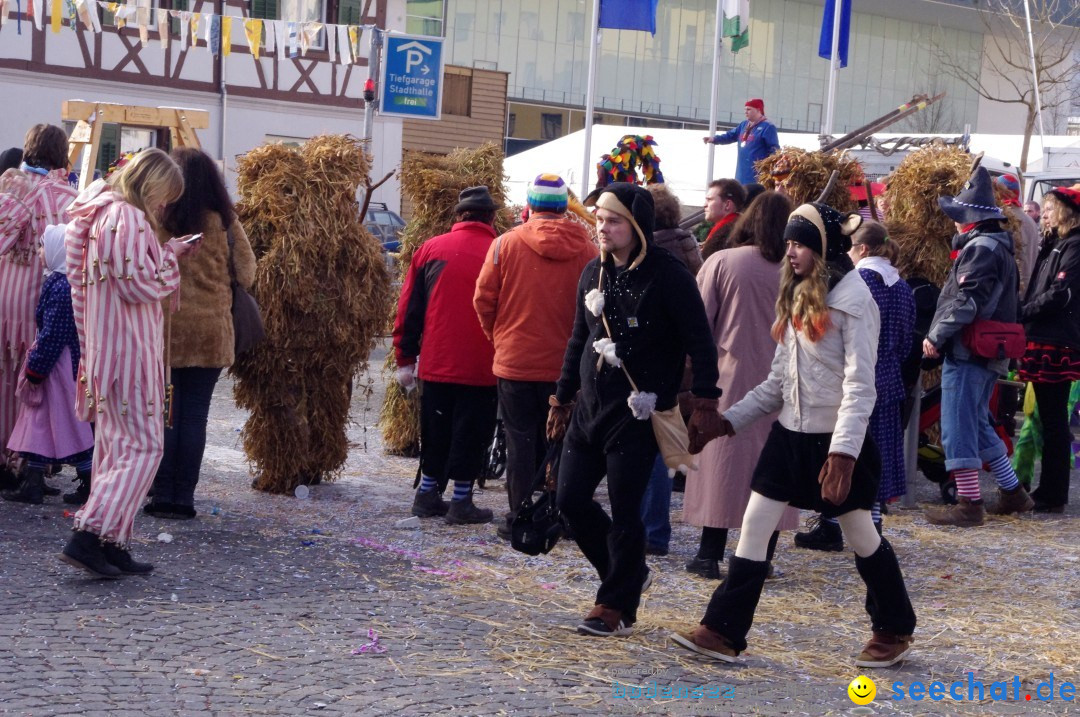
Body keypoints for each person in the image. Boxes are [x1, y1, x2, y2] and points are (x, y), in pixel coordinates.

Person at [672, 202, 917, 669]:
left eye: (800, 242)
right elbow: (778, 381)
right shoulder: (799, 293)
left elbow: (860, 385)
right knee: (755, 525)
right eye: (788, 242)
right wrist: (728, 421)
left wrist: (843, 455)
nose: (790, 251)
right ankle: (722, 630)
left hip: (836, 442)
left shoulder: (854, 300)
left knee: (861, 534)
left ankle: (893, 627)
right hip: (789, 438)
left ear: (823, 248)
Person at [547, 183, 722, 637]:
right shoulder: (593, 272)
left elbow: (700, 342)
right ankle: (626, 576)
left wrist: (705, 401)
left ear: (636, 226)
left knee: (627, 513)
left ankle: (614, 605)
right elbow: (577, 340)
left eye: (613, 220)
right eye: (600, 220)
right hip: (590, 410)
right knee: (569, 500)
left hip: (638, 413)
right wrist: (562, 398)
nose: (603, 228)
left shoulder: (669, 274)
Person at [59, 148, 198, 578]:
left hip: (109, 349)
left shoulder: (103, 215)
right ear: (150, 184)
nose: (165, 205)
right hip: (128, 352)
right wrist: (171, 257)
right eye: (165, 195)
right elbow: (141, 285)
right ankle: (90, 533)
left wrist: (165, 249)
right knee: (144, 447)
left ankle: (112, 541)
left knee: (117, 448)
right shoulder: (127, 219)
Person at [473, 174, 596, 540]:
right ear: (563, 206)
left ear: (529, 205)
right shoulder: (588, 249)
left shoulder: (504, 245)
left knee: (520, 440)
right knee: (564, 441)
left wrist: (498, 337)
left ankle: (519, 515)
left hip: (516, 362)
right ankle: (560, 514)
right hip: (567, 367)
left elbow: (483, 300)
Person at [684, 191, 799, 580]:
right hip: (784, 382)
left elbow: (698, 325)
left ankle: (708, 553)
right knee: (773, 466)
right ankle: (759, 557)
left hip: (728, 376)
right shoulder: (797, 270)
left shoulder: (721, 262)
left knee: (722, 464)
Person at [144, 148, 256, 520]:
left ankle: (160, 495)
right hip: (211, 333)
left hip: (165, 330)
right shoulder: (224, 221)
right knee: (194, 416)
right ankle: (183, 498)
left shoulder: (157, 217)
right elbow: (248, 273)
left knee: (165, 415)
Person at [923, 167, 1033, 527]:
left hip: (969, 351)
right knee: (979, 422)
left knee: (957, 425)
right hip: (986, 351)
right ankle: (1013, 492)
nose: (954, 223)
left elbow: (967, 302)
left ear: (969, 219)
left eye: (958, 216)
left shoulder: (981, 249)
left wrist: (936, 336)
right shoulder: (994, 245)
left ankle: (969, 504)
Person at [795, 221, 915, 550]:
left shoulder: (857, 282)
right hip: (888, 381)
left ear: (861, 249)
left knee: (842, 453)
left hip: (854, 378)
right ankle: (873, 527)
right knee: (876, 456)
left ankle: (831, 527)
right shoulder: (901, 286)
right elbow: (907, 342)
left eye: (850, 247)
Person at [395, 186, 501, 526]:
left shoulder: (430, 249)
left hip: (438, 361)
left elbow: (409, 308)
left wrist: (405, 357)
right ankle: (461, 500)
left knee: (436, 429)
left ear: (459, 216)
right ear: (491, 217)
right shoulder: (501, 250)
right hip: (484, 363)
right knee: (472, 432)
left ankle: (427, 495)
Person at [0, 125, 77, 491]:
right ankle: (27, 464)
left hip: (8, 295)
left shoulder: (18, 189)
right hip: (47, 299)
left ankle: (7, 460)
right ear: (63, 154)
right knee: (35, 382)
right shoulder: (72, 197)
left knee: (5, 380)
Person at [1, 225, 94, 505]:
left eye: (42, 247)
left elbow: (54, 333)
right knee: (40, 421)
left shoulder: (61, 287)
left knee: (67, 424)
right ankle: (34, 480)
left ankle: (88, 481)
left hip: (57, 368)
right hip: (61, 364)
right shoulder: (67, 281)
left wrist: (36, 369)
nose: (39, 253)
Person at [638, 183, 704, 556]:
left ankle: (651, 531)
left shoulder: (653, 253)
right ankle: (656, 529)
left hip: (657, 359)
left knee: (649, 448)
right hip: (683, 360)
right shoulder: (690, 247)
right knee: (664, 446)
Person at [1015, 187, 1080, 513]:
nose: (1047, 214)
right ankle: (1048, 490)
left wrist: (1022, 312)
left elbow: (1060, 293)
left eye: (1052, 209)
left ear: (1066, 213)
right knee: (1045, 418)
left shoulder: (1075, 245)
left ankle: (1053, 494)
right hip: (1043, 335)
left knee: (1053, 421)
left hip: (1056, 340)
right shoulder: (1055, 244)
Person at [703, 99, 781, 185]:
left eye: (749, 109)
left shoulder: (768, 127)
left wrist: (772, 169)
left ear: (758, 110)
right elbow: (730, 136)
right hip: (741, 173)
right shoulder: (744, 125)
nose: (746, 112)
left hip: (756, 175)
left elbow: (774, 150)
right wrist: (714, 139)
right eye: (745, 109)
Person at [996, 174, 1040, 292]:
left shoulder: (1004, 219)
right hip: (1028, 287)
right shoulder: (1030, 220)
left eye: (996, 190)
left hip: (1011, 289)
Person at [700, 179, 745, 260]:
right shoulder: (737, 229)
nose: (704, 205)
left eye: (710, 200)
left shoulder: (729, 237)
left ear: (727, 205)